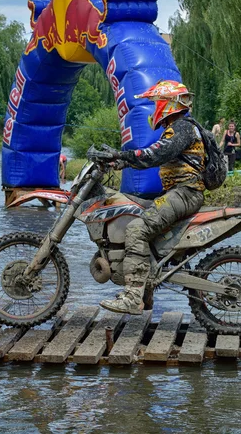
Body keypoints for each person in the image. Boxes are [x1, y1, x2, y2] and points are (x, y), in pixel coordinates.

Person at [99, 80, 205, 315]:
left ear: (168, 104)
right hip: (178, 193)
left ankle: (133, 296)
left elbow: (155, 154)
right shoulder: (178, 127)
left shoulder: (183, 128)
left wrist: (122, 154)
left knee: (137, 230)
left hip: (185, 193)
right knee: (133, 213)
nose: (154, 106)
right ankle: (146, 296)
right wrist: (119, 162)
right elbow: (151, 156)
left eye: (157, 102)